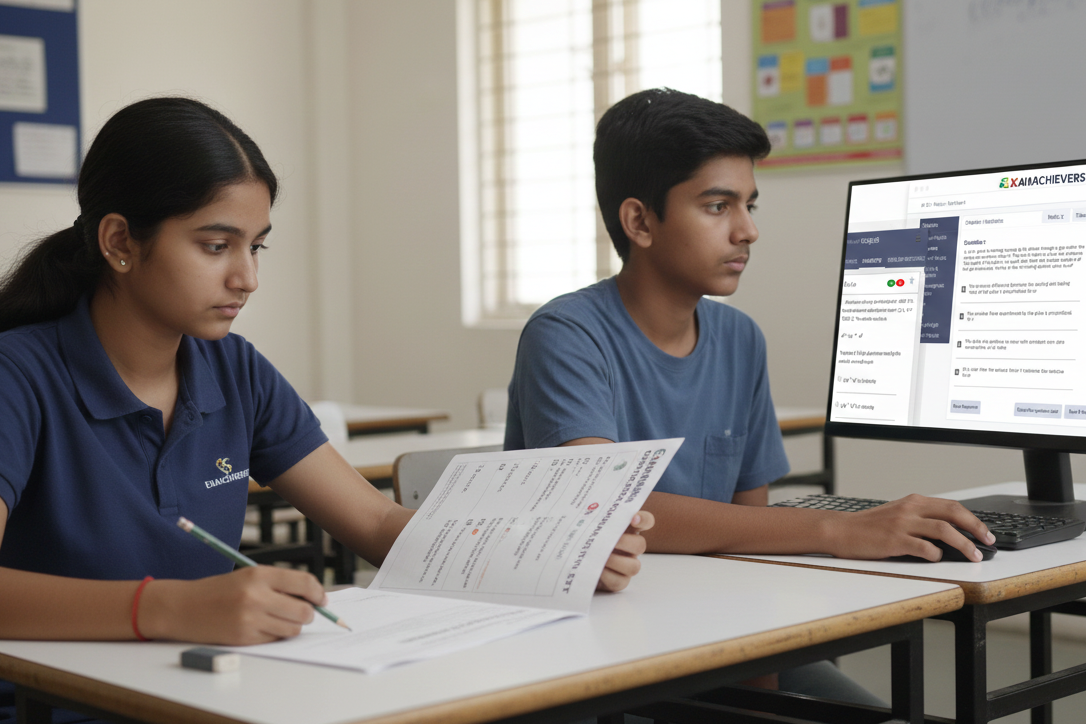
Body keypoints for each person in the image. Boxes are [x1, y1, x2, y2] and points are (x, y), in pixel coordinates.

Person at [0, 97, 653, 722]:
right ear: (120, 241)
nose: (247, 278)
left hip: (209, 697)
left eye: (255, 246)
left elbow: (372, 520)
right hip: (55, 707)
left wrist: (545, 560)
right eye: (214, 245)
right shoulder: (18, 376)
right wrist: (169, 609)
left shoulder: (235, 370)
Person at [504, 88, 995, 703]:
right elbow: (602, 506)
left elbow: (749, 529)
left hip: (721, 635)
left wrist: (760, 679)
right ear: (639, 221)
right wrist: (837, 531)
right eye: (717, 206)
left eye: (749, 205)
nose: (748, 230)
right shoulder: (568, 335)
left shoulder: (740, 339)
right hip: (594, 650)